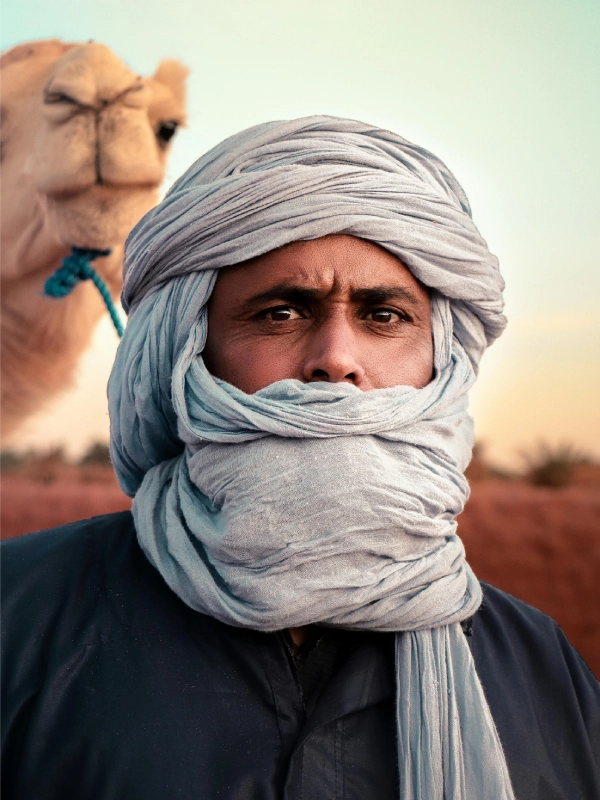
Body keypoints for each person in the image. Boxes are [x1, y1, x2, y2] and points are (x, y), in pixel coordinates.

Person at [0, 117, 598, 800]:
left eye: (384, 316)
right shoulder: (21, 621)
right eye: (282, 312)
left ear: (443, 363)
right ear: (184, 353)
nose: (337, 359)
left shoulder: (539, 670)